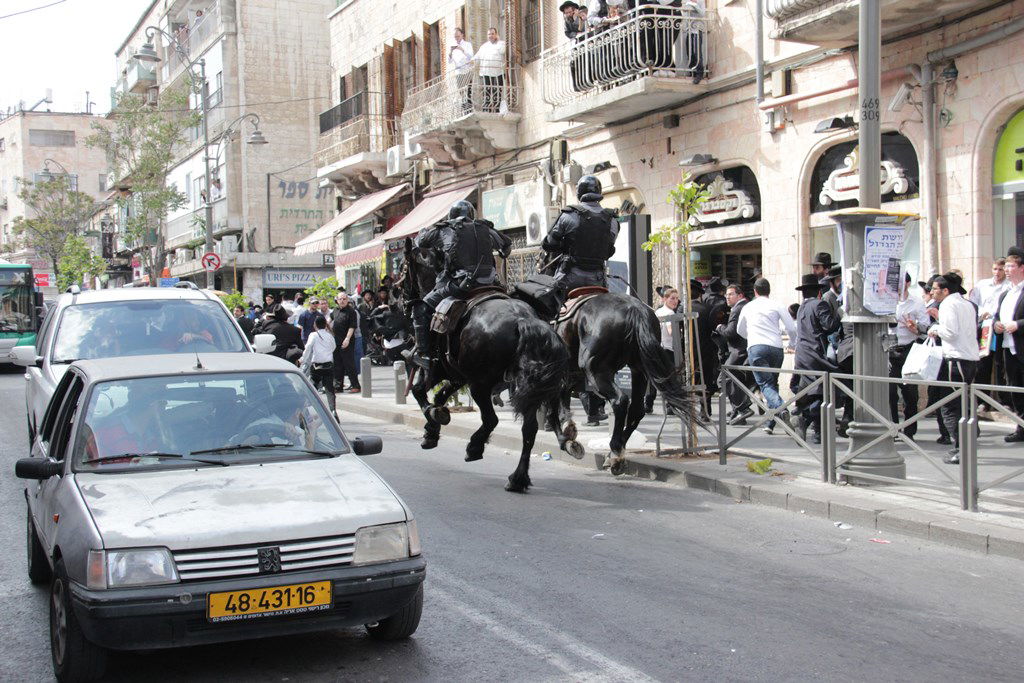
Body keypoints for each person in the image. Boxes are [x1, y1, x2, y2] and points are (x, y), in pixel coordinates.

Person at [409, 200, 512, 369]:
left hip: (460, 285)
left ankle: (424, 354)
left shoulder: (444, 229)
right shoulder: (486, 228)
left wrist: (422, 231)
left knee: (420, 307)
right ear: (472, 215)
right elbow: (506, 247)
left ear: (452, 215)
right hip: (491, 284)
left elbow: (420, 243)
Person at [927, 272, 980, 464]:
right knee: (964, 404)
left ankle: (960, 448)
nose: (932, 292)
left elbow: (950, 332)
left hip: (956, 359)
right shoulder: (967, 304)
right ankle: (967, 444)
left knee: (951, 406)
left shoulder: (948, 304)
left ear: (945, 290)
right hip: (970, 358)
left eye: (934, 289)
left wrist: (934, 328)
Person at [541, 174, 618, 302]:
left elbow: (549, 244)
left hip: (569, 278)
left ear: (579, 192)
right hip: (597, 280)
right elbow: (609, 249)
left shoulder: (569, 215)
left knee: (547, 305)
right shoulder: (612, 220)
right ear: (599, 192)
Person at [737, 277, 796, 435]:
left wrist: (751, 337)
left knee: (765, 385)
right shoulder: (777, 305)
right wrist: (792, 344)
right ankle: (771, 422)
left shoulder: (748, 307)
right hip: (776, 347)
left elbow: (739, 330)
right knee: (772, 384)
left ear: (755, 291)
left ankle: (781, 407)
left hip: (757, 347)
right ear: (769, 291)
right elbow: (791, 327)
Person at [791, 274, 841, 444]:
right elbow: (829, 326)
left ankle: (817, 431)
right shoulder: (820, 304)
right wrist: (840, 313)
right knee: (824, 390)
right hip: (815, 355)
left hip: (802, 355)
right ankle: (805, 420)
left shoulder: (802, 307)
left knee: (815, 392)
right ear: (819, 291)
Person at [889, 274, 930, 441]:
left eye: (900, 282)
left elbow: (925, 325)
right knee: (890, 391)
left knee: (909, 392)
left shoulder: (917, 302)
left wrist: (914, 327)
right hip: (890, 348)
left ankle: (910, 430)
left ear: (907, 283)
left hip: (909, 348)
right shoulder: (887, 301)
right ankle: (893, 428)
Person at [993, 252, 1024, 442]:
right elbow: (998, 316)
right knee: (1014, 388)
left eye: (1011, 266)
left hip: (1021, 345)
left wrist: (1018, 324)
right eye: (1006, 267)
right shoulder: (1005, 293)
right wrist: (997, 324)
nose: (1007, 270)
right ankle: (1021, 427)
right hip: (1007, 347)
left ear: (1022, 268)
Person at [718, 284, 753, 424]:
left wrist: (720, 328)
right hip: (744, 349)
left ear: (740, 295)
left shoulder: (738, 309)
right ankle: (738, 412)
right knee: (736, 381)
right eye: (726, 294)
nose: (727, 297)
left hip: (738, 350)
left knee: (723, 379)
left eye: (731, 294)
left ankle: (743, 407)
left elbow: (730, 332)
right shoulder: (744, 306)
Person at [301, 315, 338, 418]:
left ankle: (306, 411)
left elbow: (308, 348)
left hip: (317, 366)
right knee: (329, 389)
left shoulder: (313, 335)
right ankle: (333, 410)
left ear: (315, 325)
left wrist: (303, 359)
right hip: (329, 365)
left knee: (312, 388)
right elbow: (333, 347)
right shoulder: (330, 335)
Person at [331, 292, 360, 392]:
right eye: (340, 299)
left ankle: (355, 385)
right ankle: (338, 386)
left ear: (347, 300)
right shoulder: (335, 310)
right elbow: (329, 320)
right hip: (336, 341)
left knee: (349, 363)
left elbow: (352, 326)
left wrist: (347, 339)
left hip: (347, 341)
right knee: (337, 364)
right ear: (337, 300)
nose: (342, 301)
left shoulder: (351, 311)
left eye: (344, 299)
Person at [473, 28, 507, 113]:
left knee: (497, 93)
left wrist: (498, 40)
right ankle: (486, 111)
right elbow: (477, 57)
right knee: (486, 93)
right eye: (489, 34)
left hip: (498, 73)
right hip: (485, 73)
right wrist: (471, 61)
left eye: (492, 34)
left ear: (496, 34)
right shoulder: (484, 46)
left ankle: (496, 111)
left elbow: (503, 51)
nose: (491, 36)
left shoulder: (501, 44)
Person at [448, 27, 474, 113]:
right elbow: (449, 61)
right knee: (462, 93)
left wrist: (462, 49)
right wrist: (450, 53)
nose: (456, 38)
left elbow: (471, 56)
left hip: (467, 70)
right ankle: (465, 110)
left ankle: (470, 110)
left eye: (458, 36)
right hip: (458, 72)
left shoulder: (467, 44)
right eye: (455, 37)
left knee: (469, 91)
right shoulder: (453, 46)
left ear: (462, 35)